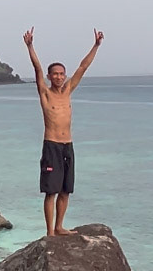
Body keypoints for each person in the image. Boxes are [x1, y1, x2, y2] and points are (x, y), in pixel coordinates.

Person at [23, 27, 104, 235]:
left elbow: (83, 67)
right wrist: (30, 46)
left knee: (66, 190)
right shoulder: (45, 93)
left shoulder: (68, 91)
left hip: (68, 145)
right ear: (50, 77)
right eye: (55, 74)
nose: (59, 77)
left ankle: (60, 226)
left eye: (61, 74)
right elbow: (37, 69)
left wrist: (96, 45)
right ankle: (50, 231)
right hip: (51, 146)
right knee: (51, 191)